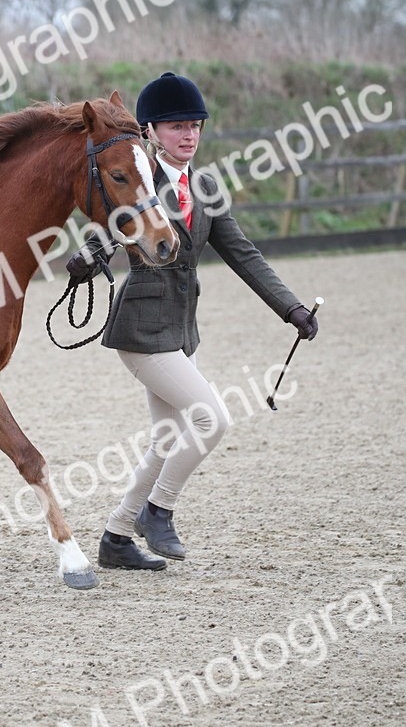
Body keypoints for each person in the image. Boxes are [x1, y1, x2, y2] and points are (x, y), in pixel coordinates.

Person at [67, 71, 319, 571]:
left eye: (196, 125)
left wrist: (290, 308)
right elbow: (111, 231)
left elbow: (243, 253)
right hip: (141, 330)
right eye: (177, 126)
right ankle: (158, 511)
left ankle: (116, 537)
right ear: (151, 131)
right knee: (212, 418)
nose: (189, 135)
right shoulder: (138, 178)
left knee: (166, 440)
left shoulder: (204, 186)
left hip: (182, 330)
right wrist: (88, 257)